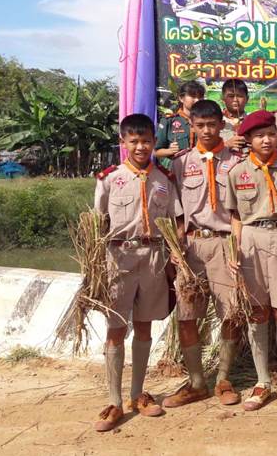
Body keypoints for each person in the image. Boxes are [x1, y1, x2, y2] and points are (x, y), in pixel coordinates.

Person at [92, 114, 182, 432]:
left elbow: (175, 220)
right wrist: (96, 266)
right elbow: (97, 223)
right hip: (119, 257)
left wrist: (175, 254)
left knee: (144, 326)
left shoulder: (164, 179)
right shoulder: (109, 178)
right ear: (123, 143)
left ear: (155, 142)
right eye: (134, 141)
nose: (141, 147)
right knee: (116, 328)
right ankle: (114, 401)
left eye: (146, 141)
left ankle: (137, 395)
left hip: (153, 256)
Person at [224, 110, 277, 411]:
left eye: (271, 134)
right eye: (259, 135)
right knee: (257, 310)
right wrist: (235, 249)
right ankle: (262, 381)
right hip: (251, 240)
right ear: (248, 139)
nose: (266, 140)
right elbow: (235, 216)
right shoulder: (237, 172)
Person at [166, 100, 245, 408]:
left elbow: (239, 212)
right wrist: (176, 246)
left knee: (231, 312)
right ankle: (197, 382)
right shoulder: (180, 163)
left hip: (225, 244)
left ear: (221, 124)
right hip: (192, 246)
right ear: (192, 126)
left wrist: (236, 248)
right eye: (200, 125)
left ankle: (223, 378)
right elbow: (176, 213)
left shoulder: (237, 162)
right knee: (187, 315)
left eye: (212, 124)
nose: (207, 131)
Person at [155, 80, 206, 167]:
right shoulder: (169, 121)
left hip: (202, 169)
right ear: (181, 98)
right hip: (176, 171)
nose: (197, 100)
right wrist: (169, 151)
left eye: (200, 97)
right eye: (193, 96)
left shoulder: (207, 121)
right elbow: (155, 152)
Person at [220, 79, 249, 155]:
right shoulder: (216, 122)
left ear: (247, 99)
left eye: (240, 96)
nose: (235, 100)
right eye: (231, 96)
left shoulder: (253, 122)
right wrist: (226, 145)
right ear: (223, 99)